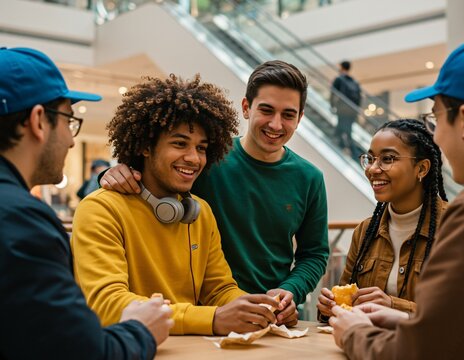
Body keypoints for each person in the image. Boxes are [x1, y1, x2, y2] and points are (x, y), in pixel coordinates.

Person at [329, 38, 464, 359]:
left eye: (436, 118)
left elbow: (424, 353)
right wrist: (405, 318)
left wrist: (355, 333)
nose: (437, 135)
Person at [99, 60, 329, 313]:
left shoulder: (310, 178)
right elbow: (155, 179)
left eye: (288, 114)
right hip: (204, 311)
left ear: (300, 118)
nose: (276, 124)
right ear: (246, 107)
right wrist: (121, 171)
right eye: (266, 110)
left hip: (274, 312)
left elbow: (314, 254)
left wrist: (291, 291)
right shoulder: (204, 159)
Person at [71, 74, 286, 336]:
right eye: (179, 144)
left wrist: (261, 308)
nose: (194, 158)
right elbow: (108, 304)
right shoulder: (101, 210)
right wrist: (213, 319)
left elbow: (219, 289)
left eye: (202, 148)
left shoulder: (200, 212)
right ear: (146, 146)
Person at [0, 47, 173, 359]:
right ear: (38, 120)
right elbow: (83, 351)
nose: (70, 139)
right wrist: (140, 328)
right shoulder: (22, 222)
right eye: (68, 119)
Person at [317, 119, 448, 319]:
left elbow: (461, 313)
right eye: (370, 159)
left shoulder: (454, 226)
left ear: (421, 168)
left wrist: (393, 305)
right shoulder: (365, 231)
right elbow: (344, 304)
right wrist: (330, 308)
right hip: (370, 346)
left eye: (387, 159)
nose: (372, 169)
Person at [330, 60, 361, 157]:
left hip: (342, 108)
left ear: (342, 67)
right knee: (346, 128)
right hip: (352, 110)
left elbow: (333, 94)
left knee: (343, 128)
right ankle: (344, 146)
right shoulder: (354, 81)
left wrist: (332, 106)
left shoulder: (339, 79)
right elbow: (359, 98)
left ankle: (351, 150)